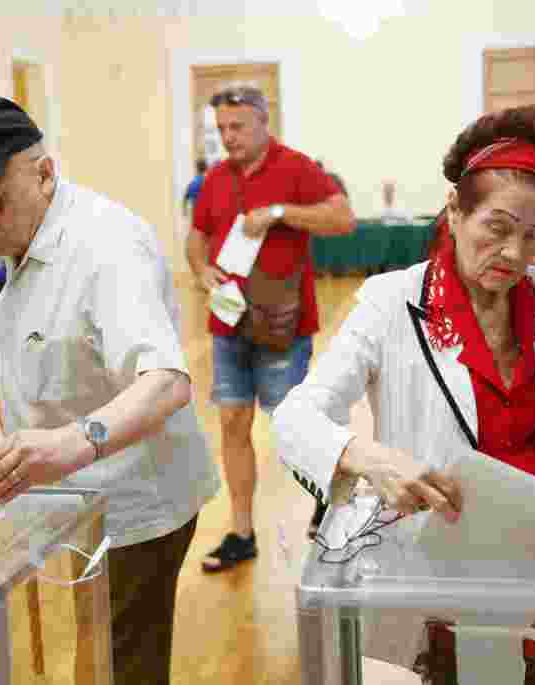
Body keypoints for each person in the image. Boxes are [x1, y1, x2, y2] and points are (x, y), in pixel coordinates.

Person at [272, 105, 535, 683]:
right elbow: (294, 418)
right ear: (454, 209)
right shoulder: (390, 302)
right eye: (497, 228)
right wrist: (370, 457)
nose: (516, 255)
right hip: (454, 573)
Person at [0, 96, 219, 685]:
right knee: (96, 648)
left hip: (136, 504)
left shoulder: (105, 248)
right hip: (79, 498)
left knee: (123, 663)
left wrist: (74, 442)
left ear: (44, 172)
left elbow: (165, 381)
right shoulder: (26, 235)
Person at [186, 85, 355, 570]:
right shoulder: (215, 178)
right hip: (227, 322)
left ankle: (329, 504)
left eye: (237, 126)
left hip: (283, 324)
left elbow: (343, 218)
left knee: (296, 427)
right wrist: (200, 271)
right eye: (221, 129)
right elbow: (196, 238)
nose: (228, 137)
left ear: (263, 121)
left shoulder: (296, 167)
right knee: (233, 425)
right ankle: (241, 534)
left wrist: (281, 213)